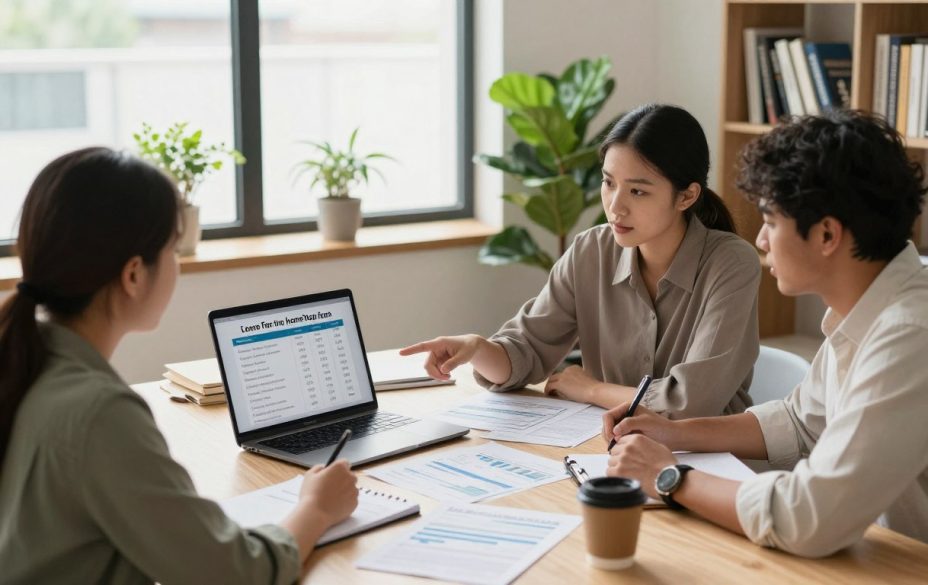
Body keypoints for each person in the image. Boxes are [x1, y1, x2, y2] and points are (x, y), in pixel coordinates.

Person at [603, 109, 928, 580]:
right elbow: (801, 424)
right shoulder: (873, 304)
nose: (760, 240)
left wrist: (671, 477)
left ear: (826, 234)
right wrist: (672, 433)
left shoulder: (912, 336)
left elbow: (810, 519)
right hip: (886, 557)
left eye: (770, 221)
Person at [0, 147, 359, 584]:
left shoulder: (25, 359)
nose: (177, 265)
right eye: (172, 248)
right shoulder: (99, 412)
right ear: (134, 274)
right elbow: (233, 574)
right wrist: (315, 508)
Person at [401, 104, 761, 418]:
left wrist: (592, 390)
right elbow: (525, 351)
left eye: (637, 191)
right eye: (608, 183)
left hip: (707, 461)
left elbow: (689, 404)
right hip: (610, 447)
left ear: (686, 196)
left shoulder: (731, 264)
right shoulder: (591, 251)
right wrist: (478, 349)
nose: (615, 206)